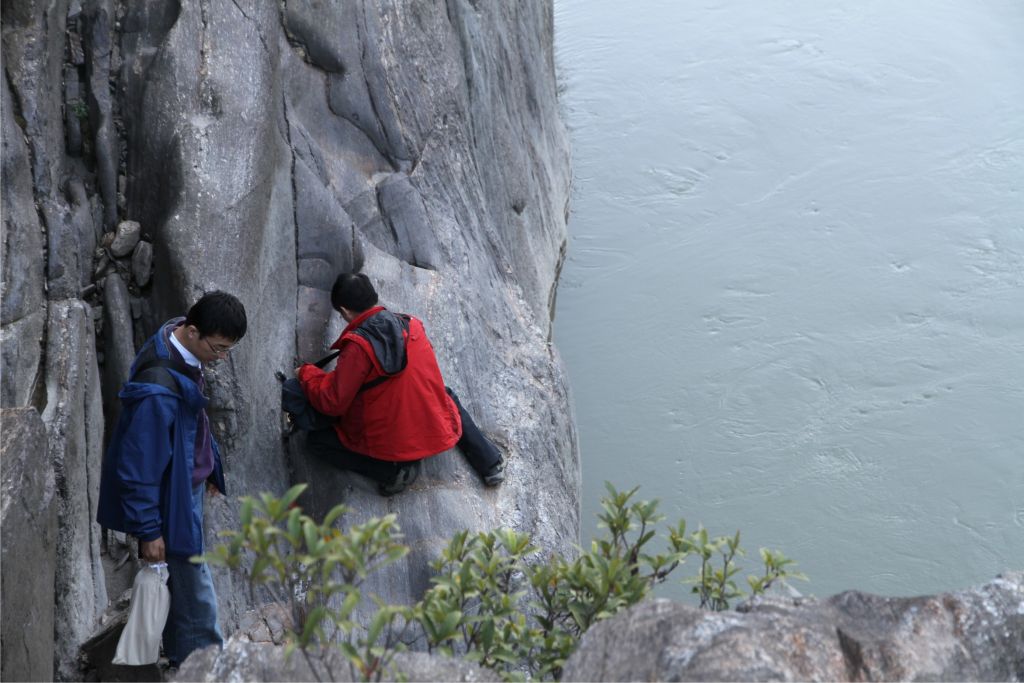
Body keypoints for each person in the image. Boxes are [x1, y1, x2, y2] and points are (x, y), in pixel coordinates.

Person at [97, 291, 247, 668]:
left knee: (186, 576)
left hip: (187, 481)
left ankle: (184, 656)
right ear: (193, 331)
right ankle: (207, 665)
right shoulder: (156, 394)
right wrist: (149, 530)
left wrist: (209, 465)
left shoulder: (174, 339)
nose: (221, 357)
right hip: (172, 496)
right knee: (194, 583)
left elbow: (192, 421)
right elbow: (138, 468)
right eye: (219, 348)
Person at [295, 272, 505, 496]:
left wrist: (307, 373)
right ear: (373, 296)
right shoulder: (412, 325)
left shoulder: (358, 347)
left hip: (394, 440)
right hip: (430, 423)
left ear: (345, 311)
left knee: (316, 442)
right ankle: (490, 463)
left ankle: (391, 472)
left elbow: (333, 402)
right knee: (445, 396)